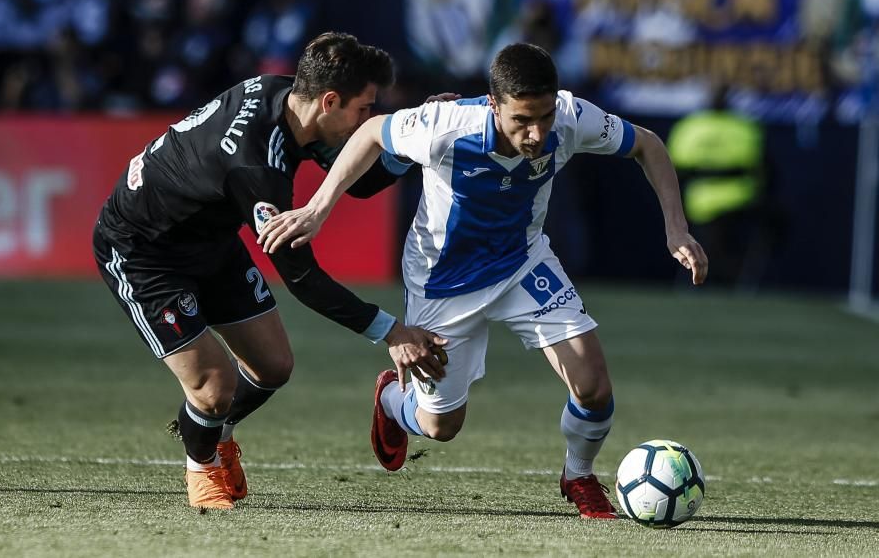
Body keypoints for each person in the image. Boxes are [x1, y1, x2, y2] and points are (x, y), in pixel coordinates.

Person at [258, 43, 708, 519]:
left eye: (545, 116)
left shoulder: (572, 117)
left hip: (522, 263)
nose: (536, 134)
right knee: (440, 426)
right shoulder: (446, 127)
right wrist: (318, 207)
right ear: (493, 104)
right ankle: (392, 399)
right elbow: (371, 131)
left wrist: (676, 228)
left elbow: (648, 145)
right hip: (443, 279)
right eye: (521, 120)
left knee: (593, 386)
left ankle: (578, 473)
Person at [92, 32, 448, 510]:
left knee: (273, 366)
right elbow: (301, 277)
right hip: (143, 252)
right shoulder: (255, 165)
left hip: (210, 243)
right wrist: (391, 332)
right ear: (330, 101)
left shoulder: (287, 98)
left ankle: (216, 434)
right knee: (214, 386)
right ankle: (202, 470)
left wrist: (415, 140)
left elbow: (358, 182)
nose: (368, 120)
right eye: (364, 109)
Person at [666, 86, 770, 289]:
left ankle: (704, 274)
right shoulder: (745, 126)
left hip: (701, 200)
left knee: (714, 239)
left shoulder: (689, 126)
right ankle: (731, 276)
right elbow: (760, 167)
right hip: (739, 199)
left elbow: (674, 168)